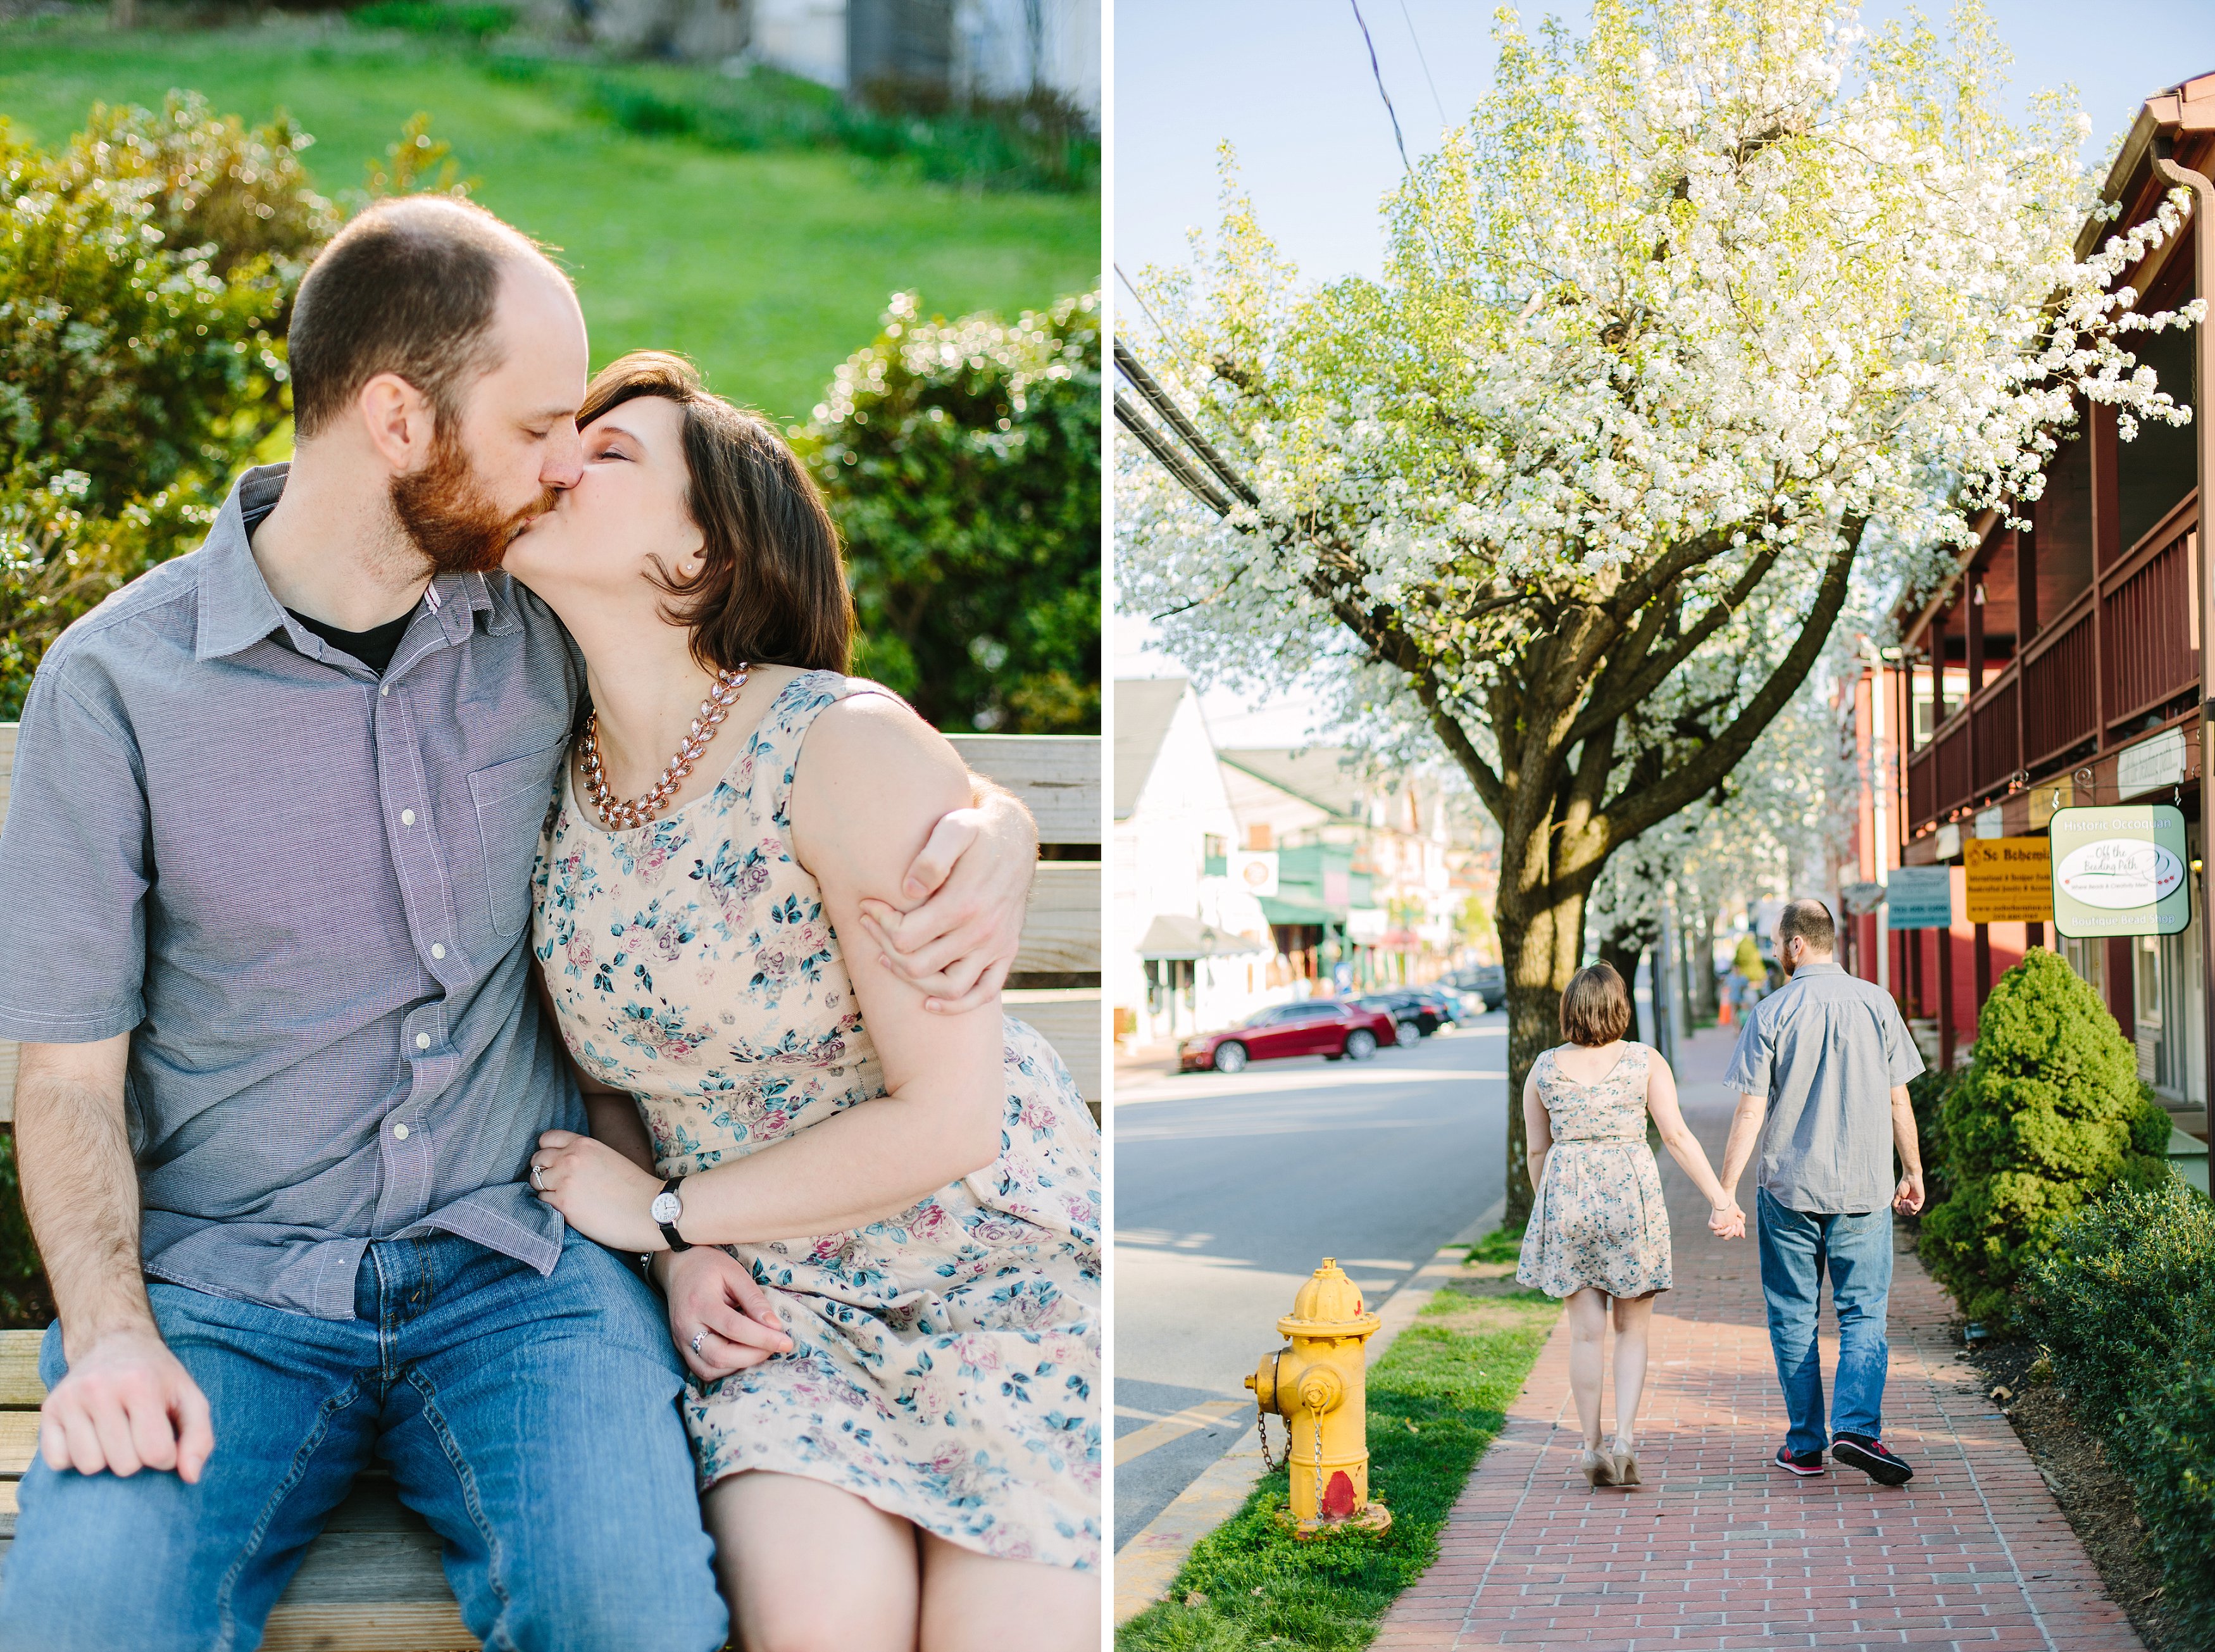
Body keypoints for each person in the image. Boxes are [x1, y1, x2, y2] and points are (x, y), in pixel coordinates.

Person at [0, 196, 1040, 1651]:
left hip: (523, 1277)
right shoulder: (115, 687)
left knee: (631, 1613)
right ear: (398, 419)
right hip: (225, 1297)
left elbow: (774, 707)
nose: (565, 465)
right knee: (78, 1621)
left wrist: (997, 824)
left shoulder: (543, 614)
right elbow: (60, 1079)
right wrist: (109, 1328)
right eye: (544, 420)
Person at [511, 351, 1099, 1651]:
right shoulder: (544, 770)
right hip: (774, 1313)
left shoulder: (836, 744)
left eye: (611, 457)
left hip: (983, 1272)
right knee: (816, 1625)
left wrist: (663, 1213)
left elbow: (952, 1122)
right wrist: (681, 1252)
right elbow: (614, 1078)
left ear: (711, 552)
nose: (559, 461)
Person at [1717, 898, 1927, 1486]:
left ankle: (1806, 1447)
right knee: (1863, 1314)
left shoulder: (1770, 1013)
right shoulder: (1877, 1004)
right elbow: (1897, 1097)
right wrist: (1912, 1170)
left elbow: (1751, 1109)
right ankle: (1857, 1428)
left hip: (1789, 1189)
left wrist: (1725, 1191)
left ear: (1794, 946)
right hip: (1863, 1186)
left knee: (1792, 1317)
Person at [1517, 961, 1744, 1489]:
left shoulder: (1544, 1068)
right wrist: (1719, 1200)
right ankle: (1624, 1441)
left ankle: (1590, 1444)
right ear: (1620, 1007)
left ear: (1570, 1009)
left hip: (1568, 1196)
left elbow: (1535, 1148)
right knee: (1632, 1331)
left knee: (1584, 1334)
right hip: (1630, 1200)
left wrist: (1547, 1205)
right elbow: (1678, 1136)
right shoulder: (1645, 1061)